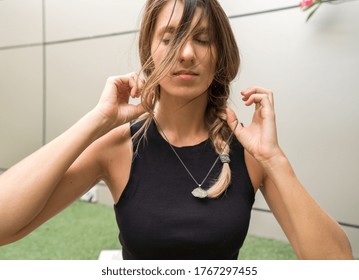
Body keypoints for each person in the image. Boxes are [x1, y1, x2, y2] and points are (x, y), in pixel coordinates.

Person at [0, 0, 354, 260]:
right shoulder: (117, 147)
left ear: (220, 56)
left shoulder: (250, 151)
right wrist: (98, 119)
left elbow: (337, 266)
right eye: (170, 38)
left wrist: (274, 159)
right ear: (149, 52)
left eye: (202, 39)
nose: (186, 53)